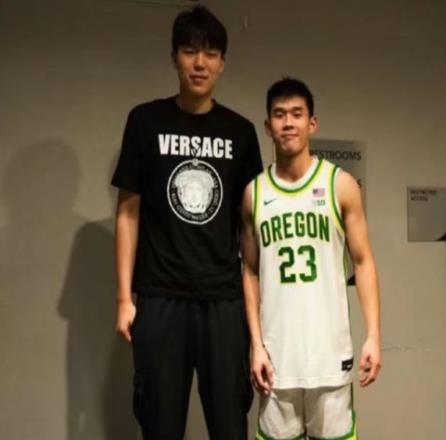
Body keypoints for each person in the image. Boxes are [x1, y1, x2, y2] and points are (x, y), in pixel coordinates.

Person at [112, 6, 262, 439]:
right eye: (190, 51)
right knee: (159, 426)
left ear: (223, 62)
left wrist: (256, 307)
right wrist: (124, 298)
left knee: (230, 426)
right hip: (161, 297)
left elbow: (249, 226)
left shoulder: (241, 132)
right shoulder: (145, 121)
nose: (200, 63)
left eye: (210, 53)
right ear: (174, 56)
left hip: (224, 300)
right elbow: (128, 211)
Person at [241, 78, 381, 440]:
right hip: (277, 362)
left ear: (312, 123)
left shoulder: (340, 185)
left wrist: (373, 335)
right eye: (279, 114)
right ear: (268, 126)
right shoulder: (254, 194)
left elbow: (363, 262)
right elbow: (250, 271)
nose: (288, 123)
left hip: (329, 359)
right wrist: (256, 345)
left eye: (297, 114)